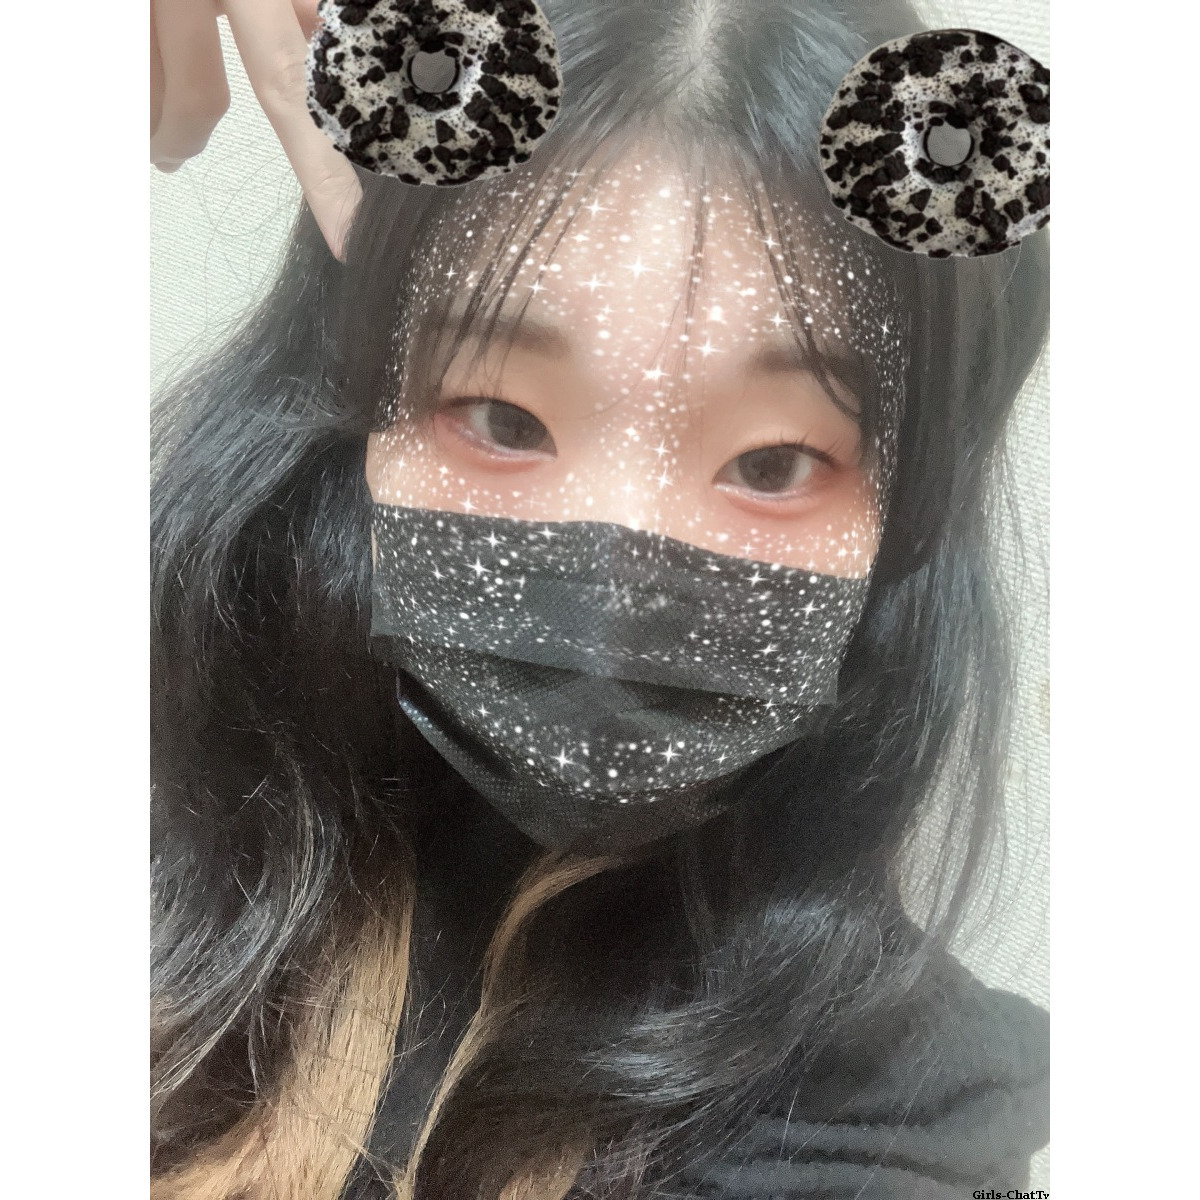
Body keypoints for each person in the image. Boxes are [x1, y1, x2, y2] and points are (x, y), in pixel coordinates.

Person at [150, 2, 1051, 1197]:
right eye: (503, 419)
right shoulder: (170, 873)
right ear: (354, 409)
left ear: (904, 520)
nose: (618, 588)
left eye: (774, 463)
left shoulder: (895, 1109)